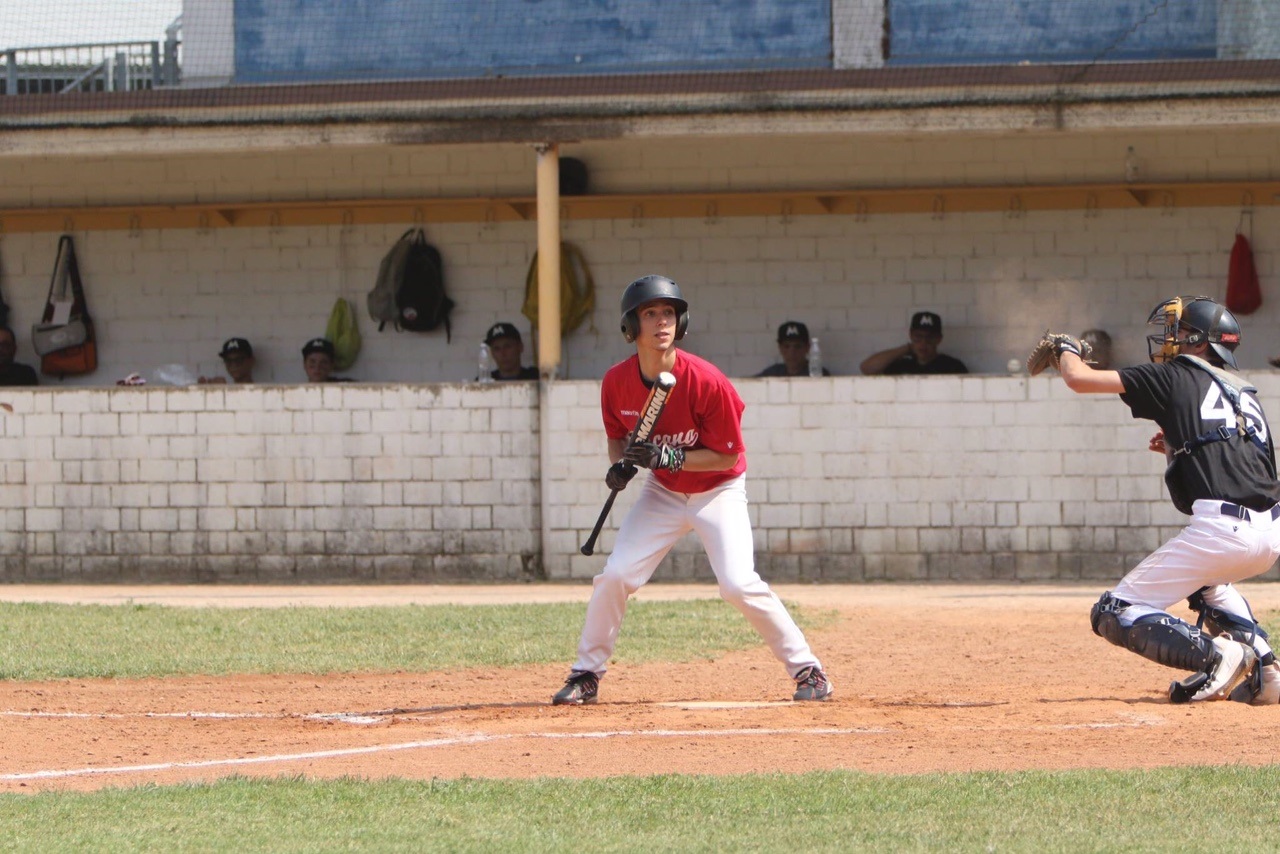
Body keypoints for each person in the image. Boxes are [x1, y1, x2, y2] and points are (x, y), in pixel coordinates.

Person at [551, 274, 832, 706]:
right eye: (650, 314)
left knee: (738, 584)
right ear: (631, 326)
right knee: (616, 576)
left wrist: (669, 458)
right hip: (663, 493)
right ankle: (586, 673)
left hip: (717, 490)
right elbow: (617, 437)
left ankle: (808, 670)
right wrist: (620, 465)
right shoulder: (616, 382)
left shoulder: (707, 381)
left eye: (669, 313)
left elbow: (726, 456)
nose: (662, 322)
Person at [1047, 295, 1280, 705]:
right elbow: (1243, 466)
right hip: (1270, 534)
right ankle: (1266, 666)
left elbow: (1078, 379)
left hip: (1223, 532)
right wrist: (1178, 449)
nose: (1170, 341)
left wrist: (1066, 349)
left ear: (1198, 341)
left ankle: (1218, 655)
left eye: (1178, 332)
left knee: (1113, 611)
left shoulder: (1177, 373)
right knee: (1209, 582)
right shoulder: (1244, 392)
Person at [859, 311, 968, 375]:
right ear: (911, 335)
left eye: (929, 338)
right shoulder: (902, 365)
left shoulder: (952, 366)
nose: (923, 343)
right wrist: (906, 349)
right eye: (918, 337)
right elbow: (867, 368)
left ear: (938, 339)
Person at [755, 321, 830, 377]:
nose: (792, 352)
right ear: (780, 348)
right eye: (786, 346)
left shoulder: (817, 373)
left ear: (807, 348)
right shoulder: (773, 373)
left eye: (797, 346)